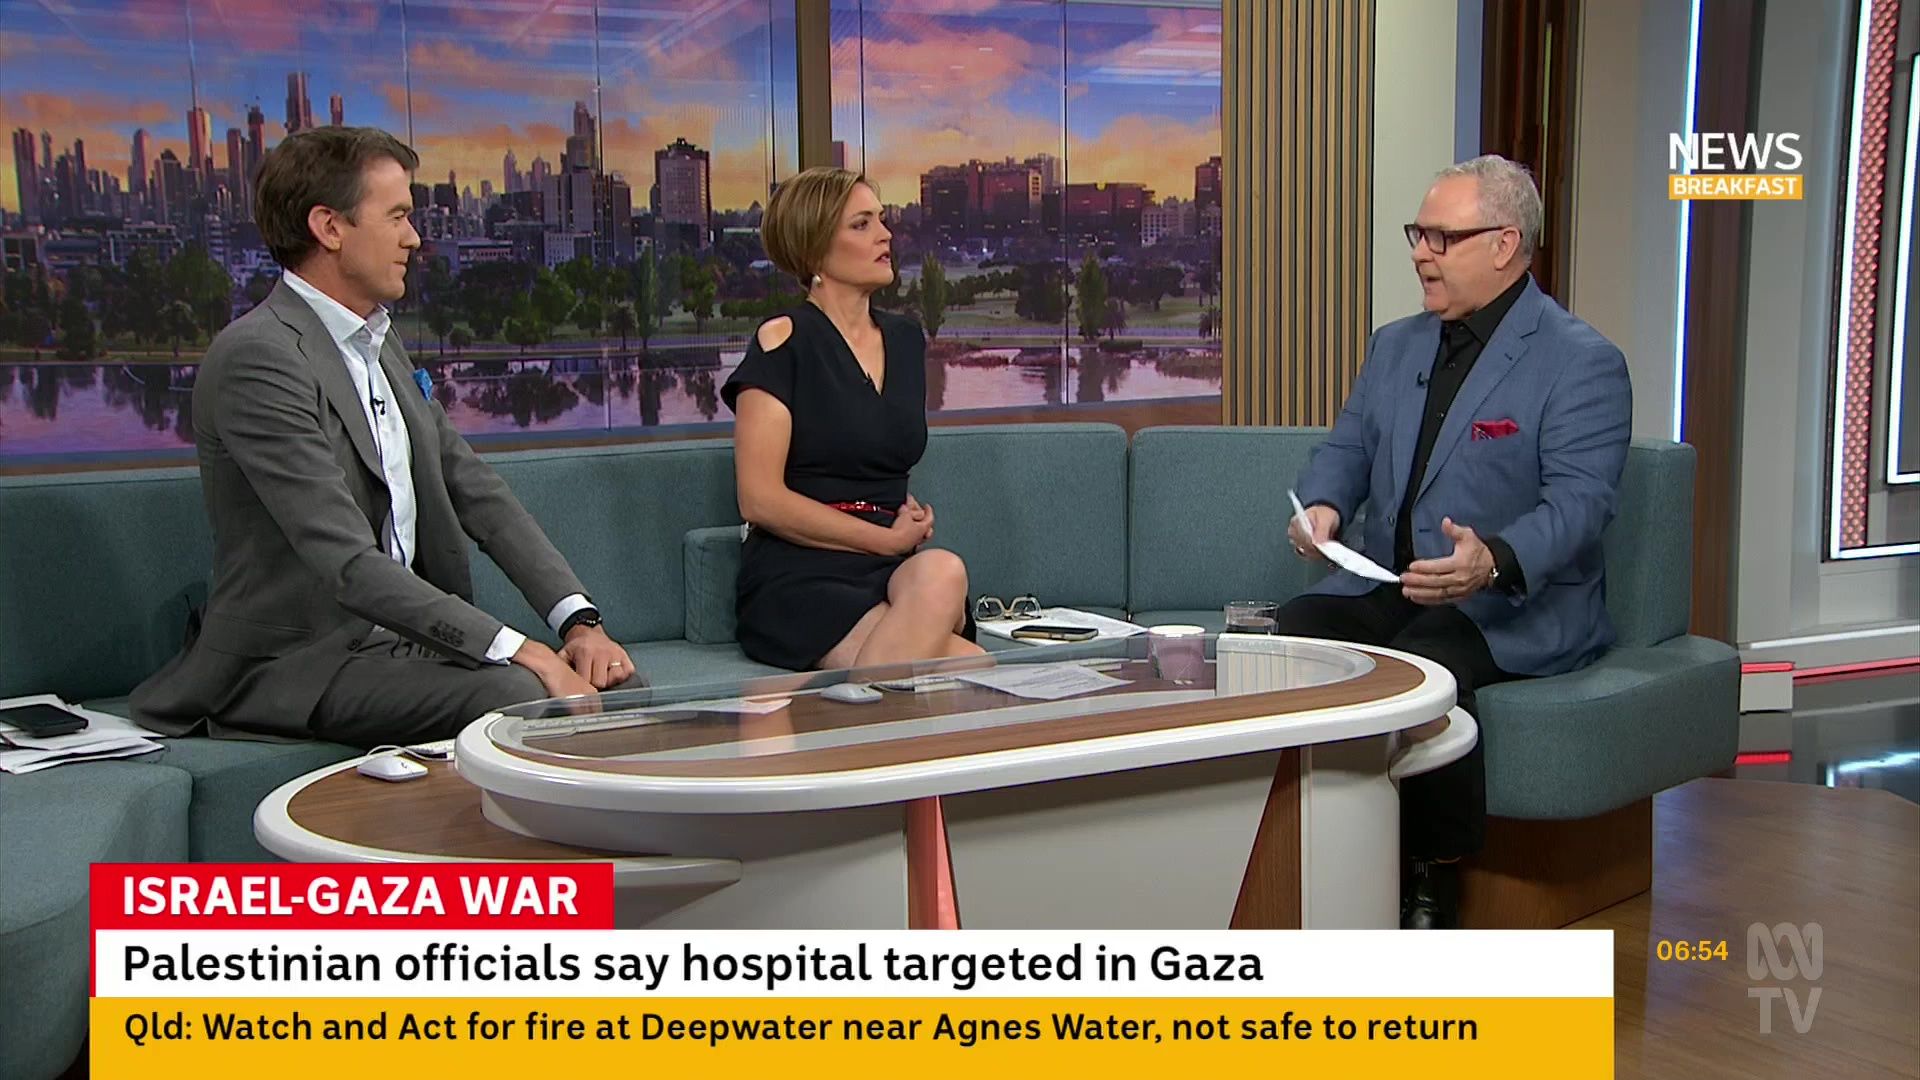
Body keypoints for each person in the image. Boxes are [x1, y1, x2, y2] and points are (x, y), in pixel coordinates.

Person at [131, 127, 638, 747]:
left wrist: (580, 623)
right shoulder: (257, 358)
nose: (414, 237)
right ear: (329, 227)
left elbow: (477, 492)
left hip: (400, 644)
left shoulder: (379, 340)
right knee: (524, 697)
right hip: (297, 662)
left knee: (617, 687)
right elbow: (346, 562)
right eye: (397, 216)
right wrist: (523, 650)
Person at [1284, 155, 1632, 929]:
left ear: (1505, 245)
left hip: (1509, 603)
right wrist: (1324, 507)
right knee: (1299, 630)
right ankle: (1311, 853)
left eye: (1441, 237)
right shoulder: (1394, 345)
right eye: (1418, 234)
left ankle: (1429, 878)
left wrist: (1493, 559)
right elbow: (1346, 448)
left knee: (1428, 660)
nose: (1420, 253)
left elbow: (1581, 503)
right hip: (1390, 582)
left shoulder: (1581, 362)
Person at [722, 167, 984, 671]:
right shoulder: (784, 341)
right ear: (815, 250)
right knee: (972, 671)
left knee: (945, 570)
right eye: (862, 225)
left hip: (890, 565)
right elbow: (759, 499)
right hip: (802, 576)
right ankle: (862, 705)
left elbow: (875, 454)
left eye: (881, 220)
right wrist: (885, 538)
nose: (885, 235)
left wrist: (902, 523)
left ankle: (853, 703)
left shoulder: (905, 339)